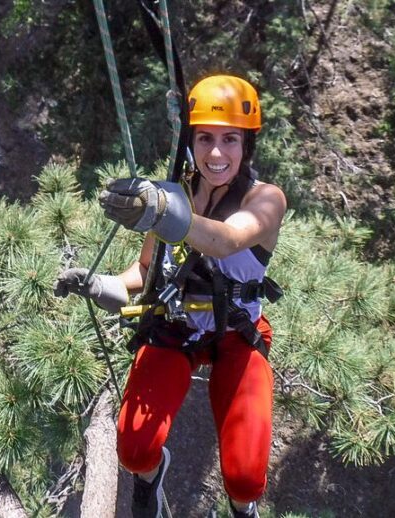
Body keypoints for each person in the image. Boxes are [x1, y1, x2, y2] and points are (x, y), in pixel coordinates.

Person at [54, 75, 286, 518]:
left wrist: (161, 211)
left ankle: (243, 510)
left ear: (247, 144)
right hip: (175, 324)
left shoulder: (266, 199)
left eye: (230, 140)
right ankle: (152, 475)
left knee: (245, 477)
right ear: (191, 141)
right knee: (135, 450)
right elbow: (144, 272)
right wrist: (101, 284)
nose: (216, 153)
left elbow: (223, 241)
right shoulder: (173, 192)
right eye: (205, 139)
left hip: (237, 330)